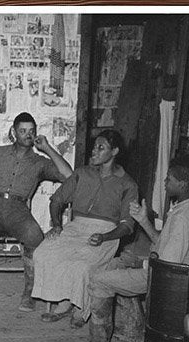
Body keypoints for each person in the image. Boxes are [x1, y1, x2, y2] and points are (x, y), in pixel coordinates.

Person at [75, 156, 189, 342]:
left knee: (99, 279)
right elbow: (161, 242)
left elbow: (166, 267)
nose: (165, 182)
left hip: (167, 282)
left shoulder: (183, 218)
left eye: (169, 179)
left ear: (181, 184)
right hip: (167, 270)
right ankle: (133, 328)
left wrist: (140, 263)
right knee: (113, 264)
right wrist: (143, 220)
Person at [0, 112, 73, 311]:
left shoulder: (39, 162)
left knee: (35, 236)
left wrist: (47, 148)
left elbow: (69, 176)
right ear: (14, 133)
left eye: (31, 131)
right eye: (22, 131)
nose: (27, 135)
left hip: (18, 209)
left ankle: (29, 293)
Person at [31, 128, 139, 325]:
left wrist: (105, 237)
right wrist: (57, 225)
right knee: (43, 253)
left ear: (114, 152)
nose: (94, 151)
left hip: (106, 233)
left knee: (82, 266)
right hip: (75, 227)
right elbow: (56, 200)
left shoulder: (127, 184)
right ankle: (64, 301)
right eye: (94, 147)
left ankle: (81, 308)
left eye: (101, 148)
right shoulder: (82, 174)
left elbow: (128, 226)